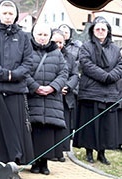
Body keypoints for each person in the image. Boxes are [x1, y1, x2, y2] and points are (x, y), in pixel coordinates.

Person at [0, 0, 34, 166]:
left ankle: (13, 162)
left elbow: (28, 61)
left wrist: (14, 75)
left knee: (15, 130)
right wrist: (3, 74)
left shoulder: (24, 36)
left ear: (16, 15)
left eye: (11, 13)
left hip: (16, 89)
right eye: (5, 13)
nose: (8, 16)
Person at [73, 16, 122, 165]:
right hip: (91, 92)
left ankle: (102, 153)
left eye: (103, 29)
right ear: (93, 31)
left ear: (108, 31)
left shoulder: (115, 48)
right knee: (90, 125)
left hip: (109, 92)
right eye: (98, 29)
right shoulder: (86, 46)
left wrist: (110, 76)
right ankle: (89, 152)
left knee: (105, 126)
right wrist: (105, 76)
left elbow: (120, 66)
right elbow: (86, 64)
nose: (100, 32)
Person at [25, 23, 68, 175]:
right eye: (39, 35)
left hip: (51, 99)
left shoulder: (57, 53)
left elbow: (64, 72)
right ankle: (34, 163)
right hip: (33, 97)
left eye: (45, 35)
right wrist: (35, 87)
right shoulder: (27, 50)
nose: (42, 38)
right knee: (34, 131)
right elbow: (24, 71)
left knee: (48, 133)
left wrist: (52, 87)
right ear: (33, 35)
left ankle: (45, 163)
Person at [51, 28, 79, 161]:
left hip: (66, 96)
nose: (58, 45)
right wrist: (56, 86)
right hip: (51, 94)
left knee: (64, 125)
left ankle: (60, 151)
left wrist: (67, 86)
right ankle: (50, 152)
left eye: (61, 42)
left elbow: (74, 74)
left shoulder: (70, 57)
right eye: (55, 42)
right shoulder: (47, 54)